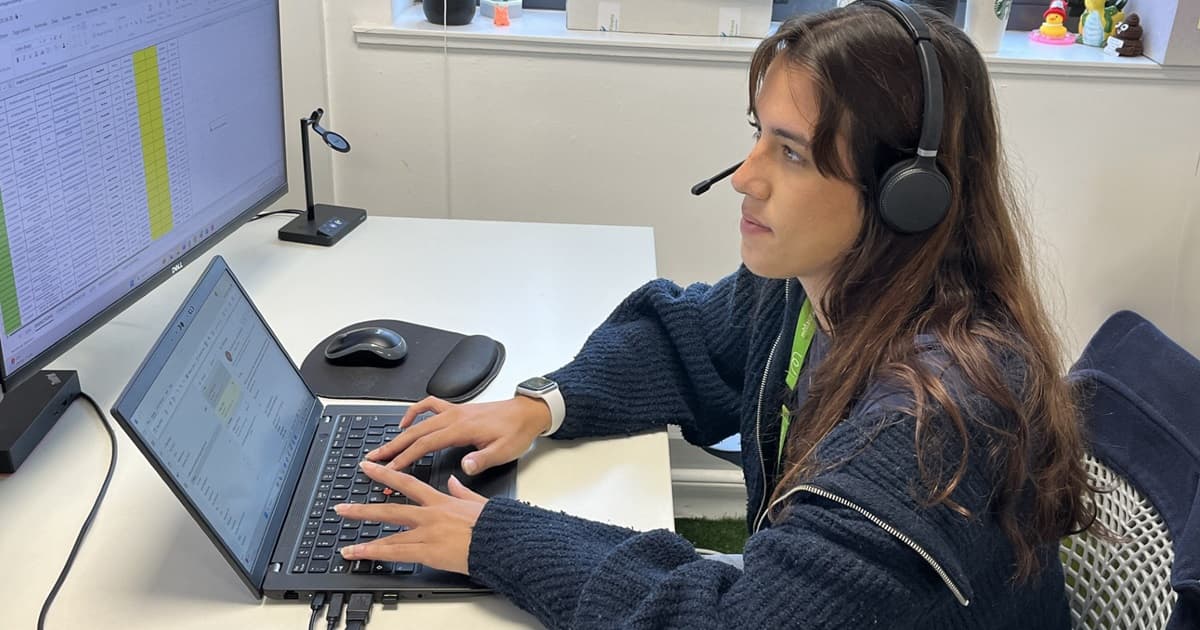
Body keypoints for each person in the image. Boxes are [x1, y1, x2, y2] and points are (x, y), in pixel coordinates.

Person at [333, 2, 1100, 627]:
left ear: (908, 194)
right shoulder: (823, 288)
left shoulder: (931, 423)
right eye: (755, 136)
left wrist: (495, 536)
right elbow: (687, 338)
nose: (745, 177)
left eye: (792, 153)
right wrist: (541, 406)